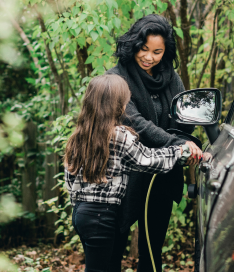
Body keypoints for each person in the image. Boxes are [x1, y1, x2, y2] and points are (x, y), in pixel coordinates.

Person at [64, 74, 193, 272]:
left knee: (99, 265)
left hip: (80, 213)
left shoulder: (78, 136)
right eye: (125, 101)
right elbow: (147, 160)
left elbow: (70, 179)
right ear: (117, 105)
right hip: (103, 215)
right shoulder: (120, 135)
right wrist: (179, 150)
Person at [106, 14, 202, 272]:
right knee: (114, 247)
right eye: (144, 49)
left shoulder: (171, 77)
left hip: (163, 174)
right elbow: (136, 123)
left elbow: (184, 122)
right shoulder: (116, 79)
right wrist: (176, 144)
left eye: (157, 52)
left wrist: (186, 142)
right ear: (133, 45)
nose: (149, 57)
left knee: (152, 248)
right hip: (123, 177)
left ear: (165, 52)